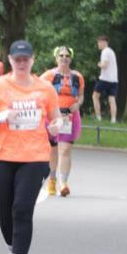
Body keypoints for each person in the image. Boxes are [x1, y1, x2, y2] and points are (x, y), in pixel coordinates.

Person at [0, 40, 61, 254]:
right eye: (17, 59)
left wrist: (56, 127)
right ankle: (16, 249)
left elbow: (56, 121)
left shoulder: (45, 90)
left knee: (22, 209)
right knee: (4, 212)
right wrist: (1, 117)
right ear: (10, 61)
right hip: (2, 157)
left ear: (32, 60)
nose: (22, 63)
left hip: (34, 158)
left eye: (26, 59)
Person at [40, 46, 84, 197]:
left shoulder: (77, 76)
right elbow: (38, 92)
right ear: (56, 58)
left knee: (65, 150)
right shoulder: (48, 76)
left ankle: (63, 183)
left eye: (67, 56)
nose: (64, 58)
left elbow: (81, 95)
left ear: (71, 58)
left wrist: (78, 104)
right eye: (61, 55)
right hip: (51, 117)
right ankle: (52, 180)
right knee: (52, 150)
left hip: (69, 118)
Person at [92, 35, 118, 123]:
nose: (98, 44)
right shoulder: (111, 51)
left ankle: (98, 117)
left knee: (95, 96)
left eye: (99, 42)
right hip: (114, 79)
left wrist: (99, 64)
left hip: (105, 79)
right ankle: (113, 119)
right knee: (112, 99)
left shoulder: (105, 51)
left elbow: (105, 65)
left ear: (104, 42)